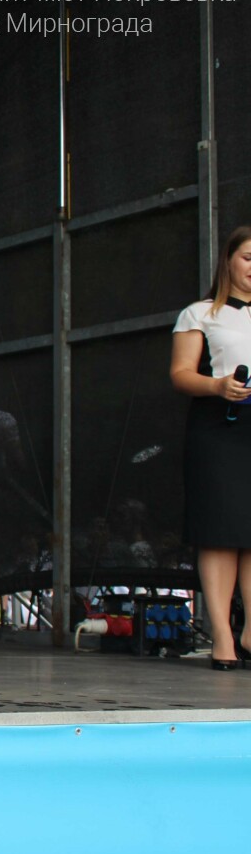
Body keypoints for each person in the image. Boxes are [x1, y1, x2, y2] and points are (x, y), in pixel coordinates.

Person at [170, 225, 251, 670]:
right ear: (229, 261)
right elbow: (181, 374)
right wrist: (219, 386)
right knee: (221, 530)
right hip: (221, 423)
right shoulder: (200, 313)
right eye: (249, 258)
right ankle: (222, 635)